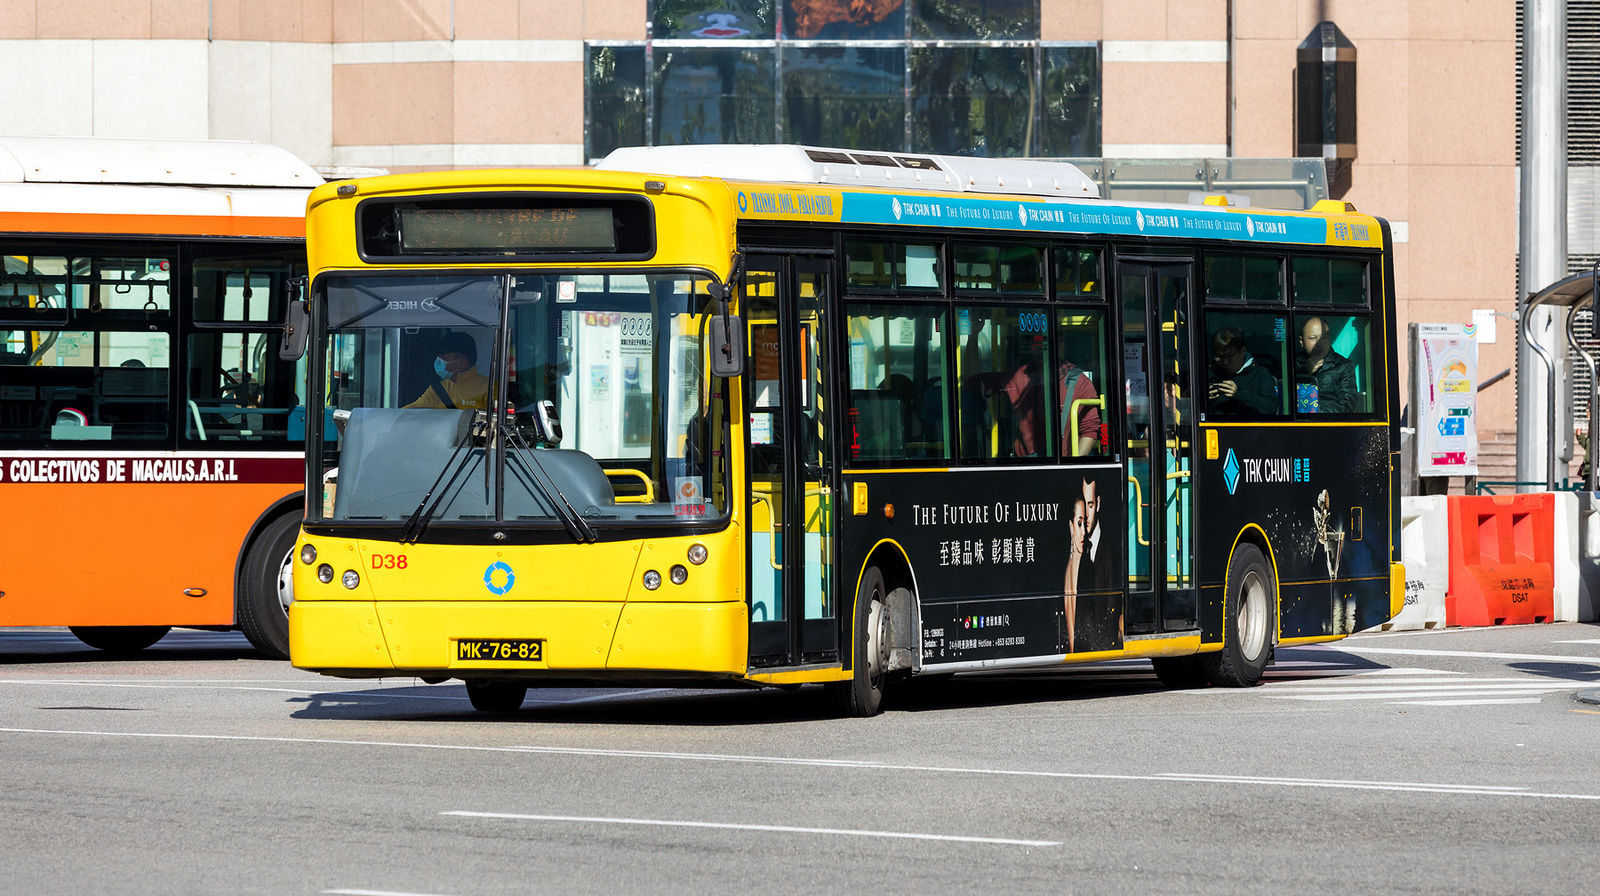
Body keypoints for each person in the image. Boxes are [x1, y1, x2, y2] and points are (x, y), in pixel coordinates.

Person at [405, 331, 488, 410]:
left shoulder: (489, 389)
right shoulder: (438, 390)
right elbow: (411, 411)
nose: (439, 359)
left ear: (462, 362)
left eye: (444, 355)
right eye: (439, 354)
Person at [1207, 327, 1280, 416]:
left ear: (1243, 351)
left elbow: (1270, 408)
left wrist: (1240, 394)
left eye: (1229, 355)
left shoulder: (1260, 374)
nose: (1225, 362)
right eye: (1220, 357)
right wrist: (1206, 400)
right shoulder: (1211, 374)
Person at [1296, 316, 1359, 413]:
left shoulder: (1343, 366)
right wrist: (1305, 373)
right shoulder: (1291, 363)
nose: (1319, 344)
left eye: (1323, 338)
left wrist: (1314, 411)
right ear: (1301, 341)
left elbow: (1346, 406)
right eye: (1313, 338)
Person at [1058, 359, 1102, 457]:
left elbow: (1089, 430)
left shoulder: (1080, 383)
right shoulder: (1019, 377)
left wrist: (1074, 466)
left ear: (1061, 345)